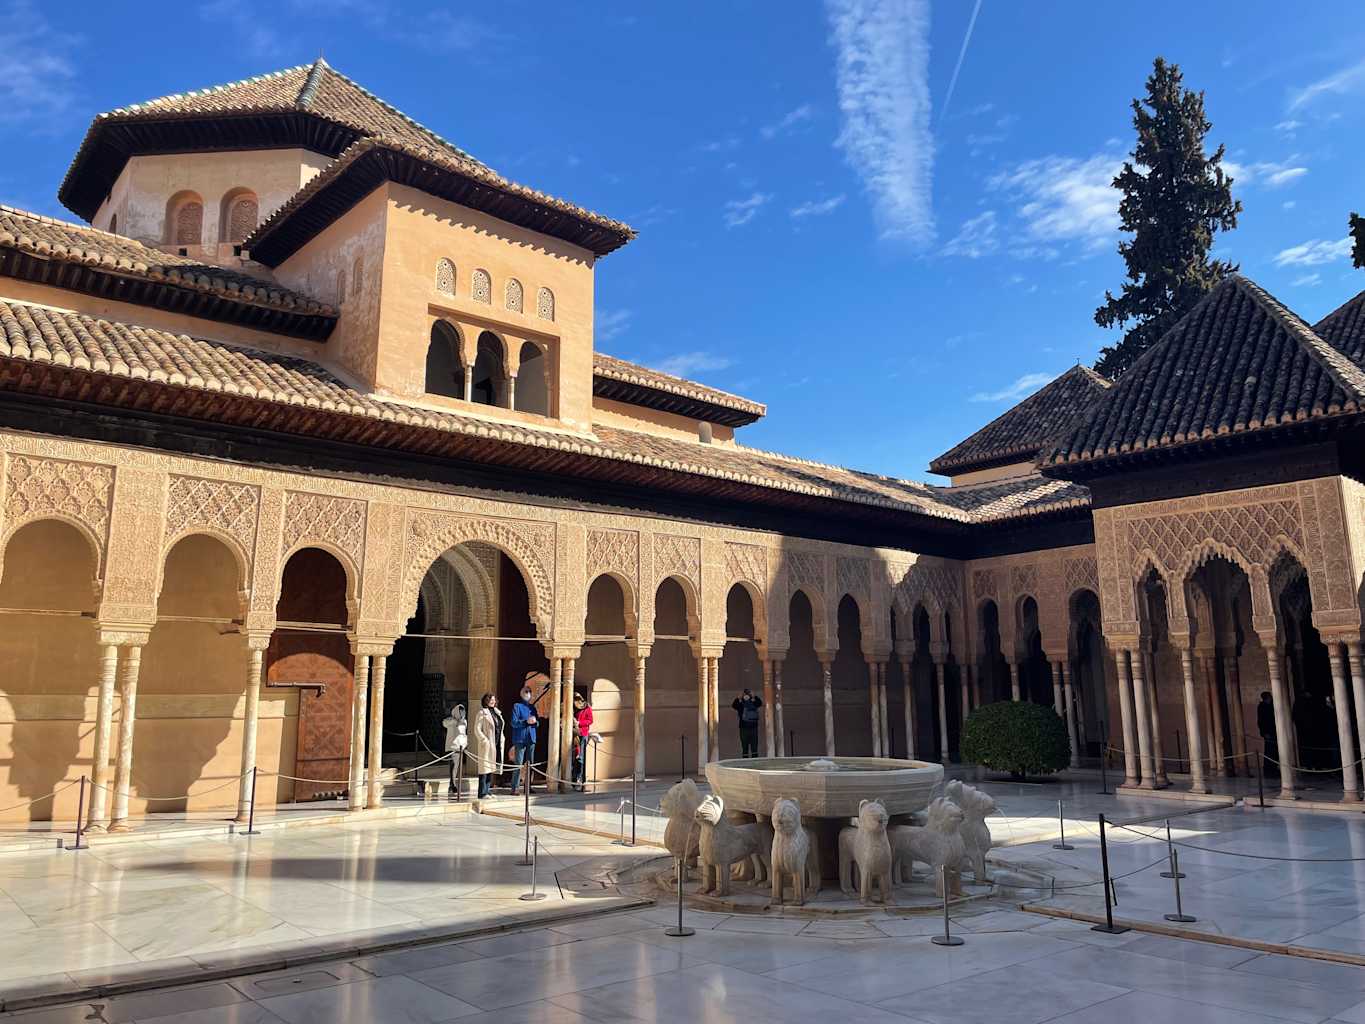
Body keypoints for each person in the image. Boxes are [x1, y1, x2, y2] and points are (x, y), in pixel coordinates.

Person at [510, 672, 547, 796]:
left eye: (529, 692)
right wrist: (526, 722)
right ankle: (514, 787)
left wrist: (535, 722)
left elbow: (537, 723)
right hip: (520, 738)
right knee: (518, 763)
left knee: (530, 764)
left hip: (531, 738)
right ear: (522, 694)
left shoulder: (533, 708)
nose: (528, 694)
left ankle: (528, 786)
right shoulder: (517, 706)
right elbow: (514, 722)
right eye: (526, 692)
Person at [471, 693, 503, 799]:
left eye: (494, 699)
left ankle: (487, 790)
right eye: (490, 700)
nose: (492, 701)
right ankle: (482, 793)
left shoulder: (497, 713)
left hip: (496, 744)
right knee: (484, 769)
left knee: (490, 768)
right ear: (486, 701)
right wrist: (484, 740)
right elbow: (477, 729)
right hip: (487, 745)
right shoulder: (482, 713)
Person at [441, 704, 468, 795]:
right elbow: (444, 723)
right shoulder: (451, 721)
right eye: (460, 711)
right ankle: (453, 785)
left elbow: (463, 735)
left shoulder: (464, 722)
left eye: (463, 711)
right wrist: (454, 721)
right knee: (453, 767)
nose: (462, 713)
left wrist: (464, 745)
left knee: (456, 768)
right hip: (452, 747)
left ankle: (451, 785)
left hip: (460, 747)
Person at [571, 691, 593, 791]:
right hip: (573, 734)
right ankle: (572, 779)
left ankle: (580, 779)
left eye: (577, 700)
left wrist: (579, 723)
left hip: (583, 734)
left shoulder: (587, 707)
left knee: (580, 758)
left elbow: (590, 720)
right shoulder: (573, 708)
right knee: (573, 758)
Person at [732, 687, 763, 758]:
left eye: (747, 693)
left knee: (754, 748)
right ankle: (745, 764)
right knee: (745, 747)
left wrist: (754, 696)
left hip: (753, 728)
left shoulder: (753, 701)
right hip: (744, 728)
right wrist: (738, 698)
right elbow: (734, 706)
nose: (746, 695)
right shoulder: (741, 703)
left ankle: (755, 764)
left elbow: (760, 703)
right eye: (745, 693)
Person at [1257, 691, 1278, 778]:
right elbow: (1261, 721)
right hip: (1268, 733)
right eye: (1270, 697)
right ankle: (1269, 770)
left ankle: (1274, 768)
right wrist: (1264, 733)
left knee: (1274, 751)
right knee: (1269, 751)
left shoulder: (1270, 706)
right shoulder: (1262, 707)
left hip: (1273, 732)